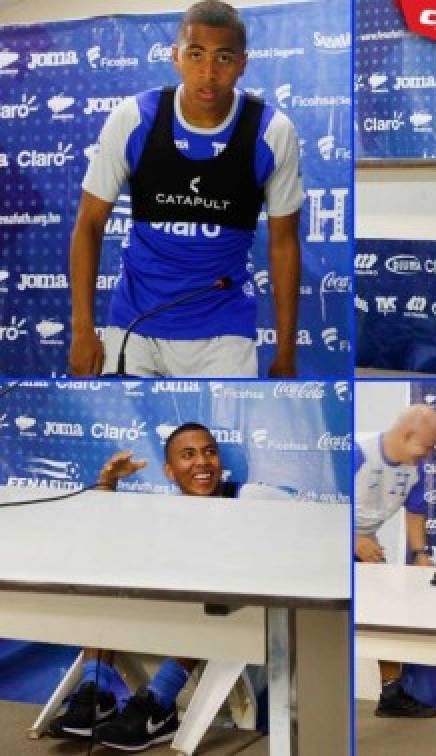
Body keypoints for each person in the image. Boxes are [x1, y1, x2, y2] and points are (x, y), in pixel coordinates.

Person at [68, 0, 302, 378]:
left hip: (223, 328)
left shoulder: (272, 131)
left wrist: (286, 354)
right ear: (175, 56)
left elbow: (284, 244)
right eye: (195, 54)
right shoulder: (133, 118)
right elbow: (89, 225)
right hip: (135, 321)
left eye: (224, 58)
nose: (208, 73)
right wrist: (82, 330)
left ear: (242, 63)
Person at [47, 422, 278, 750]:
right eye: (188, 455)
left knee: (209, 593)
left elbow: (311, 523)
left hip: (235, 613)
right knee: (108, 574)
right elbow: (101, 534)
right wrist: (108, 483)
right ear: (169, 471)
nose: (201, 462)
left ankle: (159, 704)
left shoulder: (250, 497)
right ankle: (96, 694)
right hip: (169, 612)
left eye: (209, 452)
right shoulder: (166, 513)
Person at [354, 405, 436, 718]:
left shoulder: (414, 468)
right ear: (406, 435)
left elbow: (415, 511)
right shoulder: (358, 452)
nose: (429, 455)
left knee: (388, 614)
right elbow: (323, 507)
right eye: (428, 446)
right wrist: (351, 539)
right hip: (328, 541)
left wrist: (420, 554)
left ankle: (391, 693)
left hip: (367, 545)